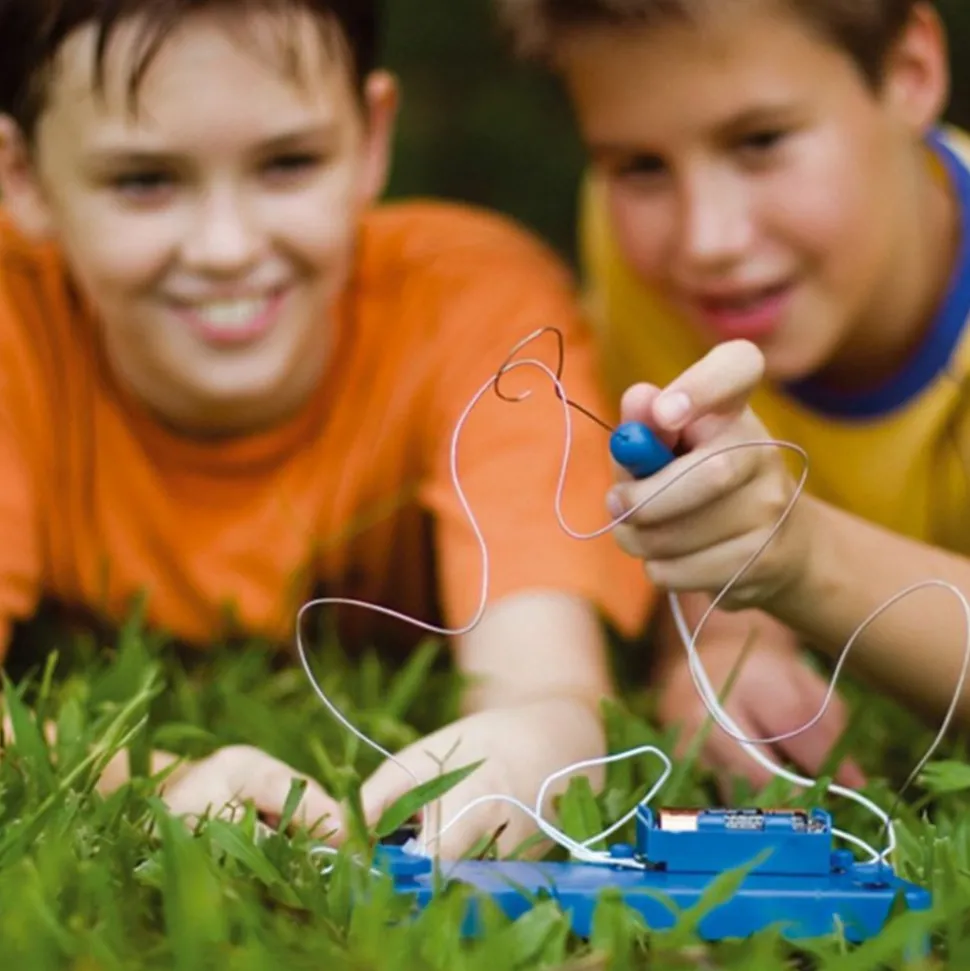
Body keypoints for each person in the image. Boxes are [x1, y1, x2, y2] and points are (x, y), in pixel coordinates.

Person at [0, 0, 652, 856]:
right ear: (22, 180)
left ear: (372, 138)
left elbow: (551, 688)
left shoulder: (480, 311)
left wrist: (531, 744)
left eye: (289, 163)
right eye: (143, 181)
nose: (227, 246)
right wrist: (148, 779)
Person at [498, 0, 970, 794]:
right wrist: (724, 635)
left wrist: (802, 556)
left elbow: (778, 544)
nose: (707, 240)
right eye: (639, 167)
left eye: (761, 142)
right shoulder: (641, 249)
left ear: (909, 73)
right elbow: (700, 492)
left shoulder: (682, 243)